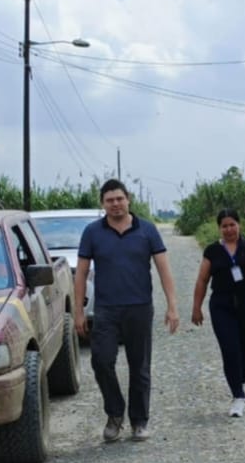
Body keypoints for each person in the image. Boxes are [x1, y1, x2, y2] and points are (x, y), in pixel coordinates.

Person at [74, 179, 180, 443]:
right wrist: (78, 311)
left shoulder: (147, 230)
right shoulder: (92, 232)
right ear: (102, 204)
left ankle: (139, 421)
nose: (115, 204)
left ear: (128, 199)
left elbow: (163, 268)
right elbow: (81, 274)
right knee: (101, 361)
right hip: (106, 310)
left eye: (119, 199)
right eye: (109, 200)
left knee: (139, 365)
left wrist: (172, 306)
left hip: (139, 308)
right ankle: (115, 413)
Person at [190, 208, 245, 417]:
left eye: (232, 225)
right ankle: (237, 395)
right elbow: (202, 280)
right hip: (222, 305)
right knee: (230, 349)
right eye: (224, 226)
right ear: (219, 228)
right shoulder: (212, 251)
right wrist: (196, 307)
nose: (229, 229)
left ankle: (241, 382)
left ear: (239, 225)